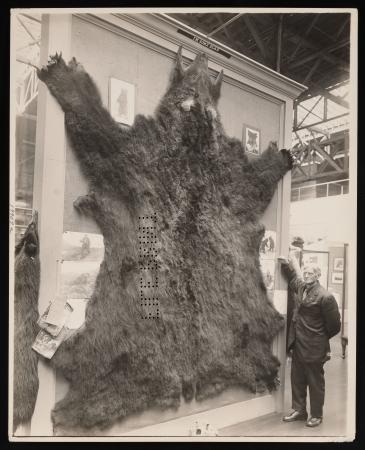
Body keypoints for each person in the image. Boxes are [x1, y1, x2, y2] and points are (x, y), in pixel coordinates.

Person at [277, 252, 341, 428]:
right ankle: (299, 410)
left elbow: (335, 326)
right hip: (297, 344)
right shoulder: (301, 287)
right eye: (305, 272)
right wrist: (286, 261)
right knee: (297, 378)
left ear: (318, 275)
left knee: (315, 382)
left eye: (310, 273)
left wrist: (318, 336)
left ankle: (316, 415)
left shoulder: (325, 296)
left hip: (314, 346)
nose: (306, 275)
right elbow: (293, 275)